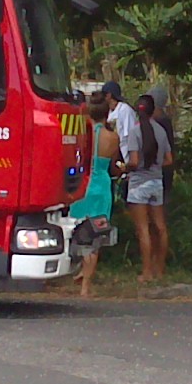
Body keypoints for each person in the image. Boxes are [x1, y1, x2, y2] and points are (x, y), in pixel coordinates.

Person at [69, 97, 120, 295]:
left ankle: (81, 270)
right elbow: (114, 165)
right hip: (102, 184)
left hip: (84, 183)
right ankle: (86, 284)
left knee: (80, 230)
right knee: (95, 235)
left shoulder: (83, 135)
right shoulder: (113, 138)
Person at [124, 93, 175, 282]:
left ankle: (145, 272)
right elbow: (169, 159)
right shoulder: (160, 131)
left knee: (143, 229)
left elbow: (135, 161)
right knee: (160, 227)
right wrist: (155, 165)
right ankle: (159, 269)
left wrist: (126, 166)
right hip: (156, 182)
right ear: (154, 110)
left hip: (138, 184)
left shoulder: (135, 132)